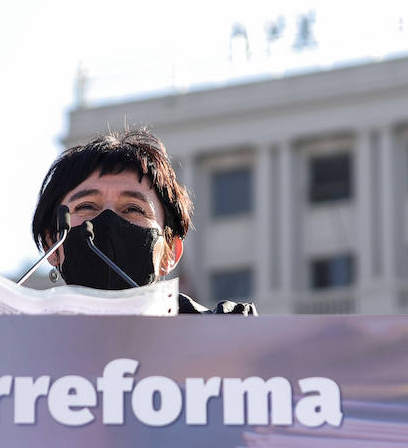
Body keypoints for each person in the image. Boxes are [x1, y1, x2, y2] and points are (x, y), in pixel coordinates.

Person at [31, 126, 256, 314]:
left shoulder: (228, 342)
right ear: (52, 245)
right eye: (87, 206)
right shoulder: (10, 349)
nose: (107, 220)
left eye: (132, 209)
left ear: (170, 252)